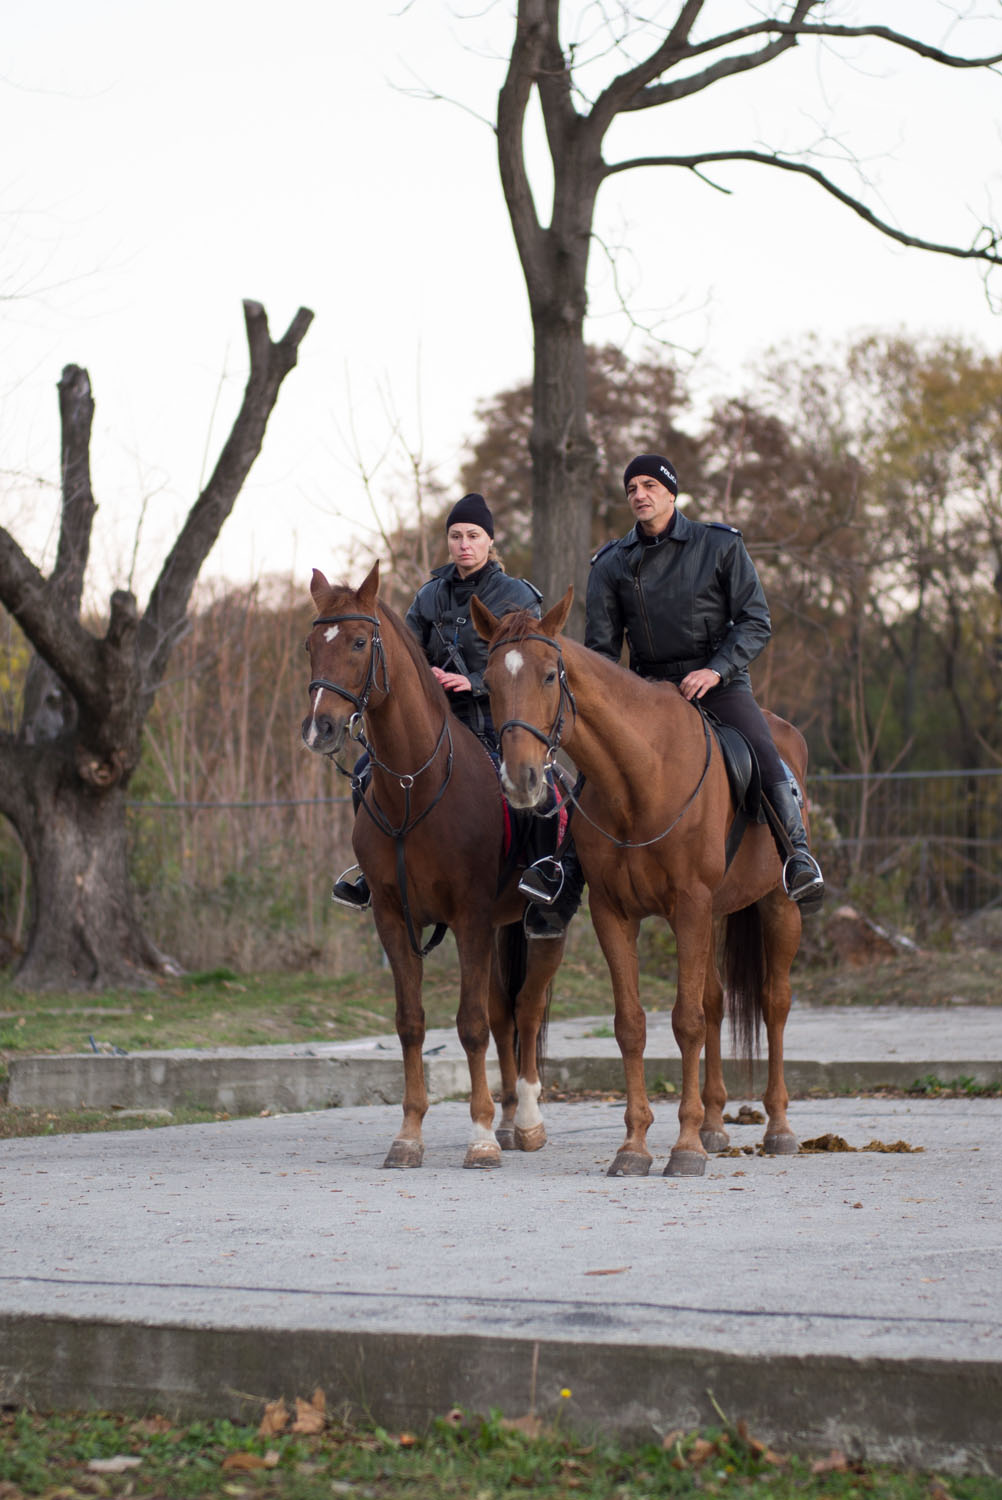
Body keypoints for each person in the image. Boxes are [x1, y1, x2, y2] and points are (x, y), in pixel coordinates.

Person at [332, 492, 585, 936]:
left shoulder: (516, 595)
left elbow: (530, 664)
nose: (463, 544)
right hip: (439, 725)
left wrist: (474, 681)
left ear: (490, 541)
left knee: (542, 791)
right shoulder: (430, 595)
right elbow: (402, 656)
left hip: (497, 721)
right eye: (455, 536)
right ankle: (371, 873)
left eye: (473, 535)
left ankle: (546, 873)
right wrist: (423, 675)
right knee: (364, 770)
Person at [582, 454, 824, 911]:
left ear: (671, 493)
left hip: (718, 680)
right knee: (595, 758)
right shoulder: (610, 563)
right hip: (647, 690)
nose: (639, 495)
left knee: (761, 747)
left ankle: (797, 856)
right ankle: (564, 868)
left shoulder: (719, 545)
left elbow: (756, 620)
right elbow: (601, 652)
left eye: (649, 485)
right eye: (631, 488)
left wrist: (715, 669)